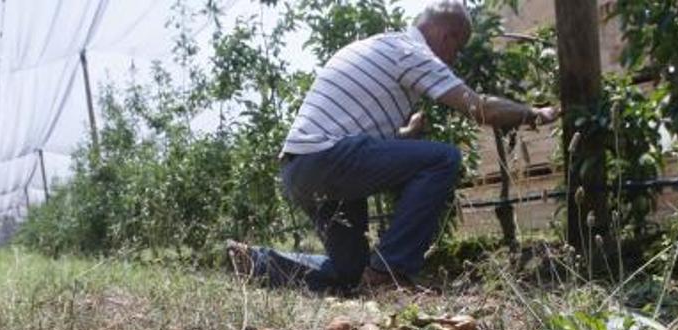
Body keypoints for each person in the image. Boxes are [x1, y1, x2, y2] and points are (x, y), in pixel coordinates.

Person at [228, 0, 558, 293]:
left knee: (349, 274)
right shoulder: (413, 52)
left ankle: (259, 263)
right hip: (327, 159)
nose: (453, 60)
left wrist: (403, 135)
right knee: (443, 159)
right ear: (448, 36)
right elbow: (479, 108)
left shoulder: (378, 45)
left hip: (300, 169)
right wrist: (534, 113)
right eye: (457, 49)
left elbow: (357, 136)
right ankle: (389, 271)